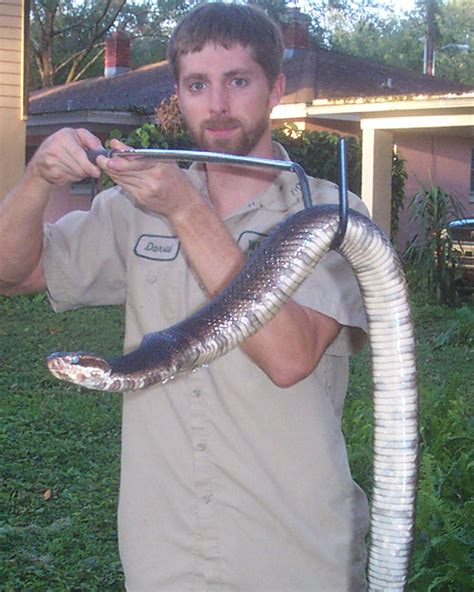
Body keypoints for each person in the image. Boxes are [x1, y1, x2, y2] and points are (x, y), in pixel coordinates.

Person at [0, 3, 371, 590]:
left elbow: (290, 357)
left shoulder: (329, 215)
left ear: (275, 88)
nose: (217, 104)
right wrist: (37, 179)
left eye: (238, 81)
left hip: (294, 550)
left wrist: (185, 209)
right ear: (179, 92)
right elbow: (13, 273)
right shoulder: (135, 208)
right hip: (164, 551)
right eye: (198, 84)